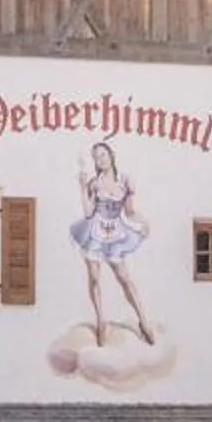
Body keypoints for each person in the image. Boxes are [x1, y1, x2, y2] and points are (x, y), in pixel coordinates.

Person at [69, 140, 155, 347]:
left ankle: (143, 321)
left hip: (116, 231)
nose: (100, 159)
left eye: (103, 155)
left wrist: (144, 222)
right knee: (94, 278)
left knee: (124, 279)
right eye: (96, 157)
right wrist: (82, 188)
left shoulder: (124, 180)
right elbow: (88, 213)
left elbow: (129, 212)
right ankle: (101, 322)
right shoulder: (93, 183)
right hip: (96, 231)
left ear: (111, 156)